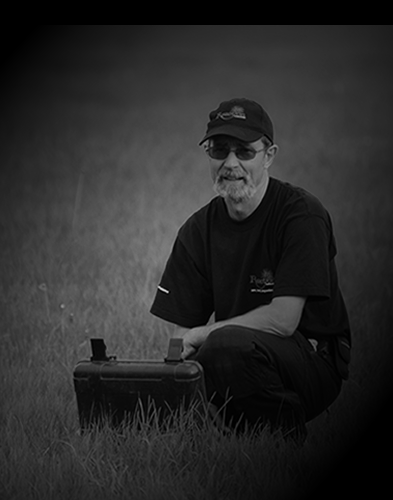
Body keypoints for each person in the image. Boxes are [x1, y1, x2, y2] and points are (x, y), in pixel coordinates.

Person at [150, 98, 350, 437]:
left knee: (224, 345)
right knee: (199, 368)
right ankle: (231, 435)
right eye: (219, 150)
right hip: (238, 353)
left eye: (244, 152)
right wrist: (174, 370)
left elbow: (284, 320)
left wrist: (203, 335)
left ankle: (282, 438)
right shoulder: (197, 230)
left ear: (269, 155)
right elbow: (181, 335)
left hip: (314, 361)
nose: (230, 163)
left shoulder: (301, 215)